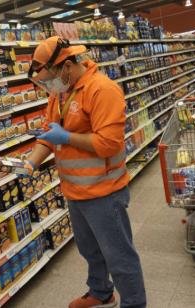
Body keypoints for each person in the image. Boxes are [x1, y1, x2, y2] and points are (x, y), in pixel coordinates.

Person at [25, 36, 147, 308]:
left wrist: (66, 137)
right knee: (90, 251)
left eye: (49, 78)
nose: (48, 86)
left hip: (104, 192)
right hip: (75, 191)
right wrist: (31, 162)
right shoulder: (60, 93)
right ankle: (101, 293)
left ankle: (135, 304)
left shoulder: (102, 89)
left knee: (119, 257)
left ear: (66, 66)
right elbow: (49, 134)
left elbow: (108, 143)